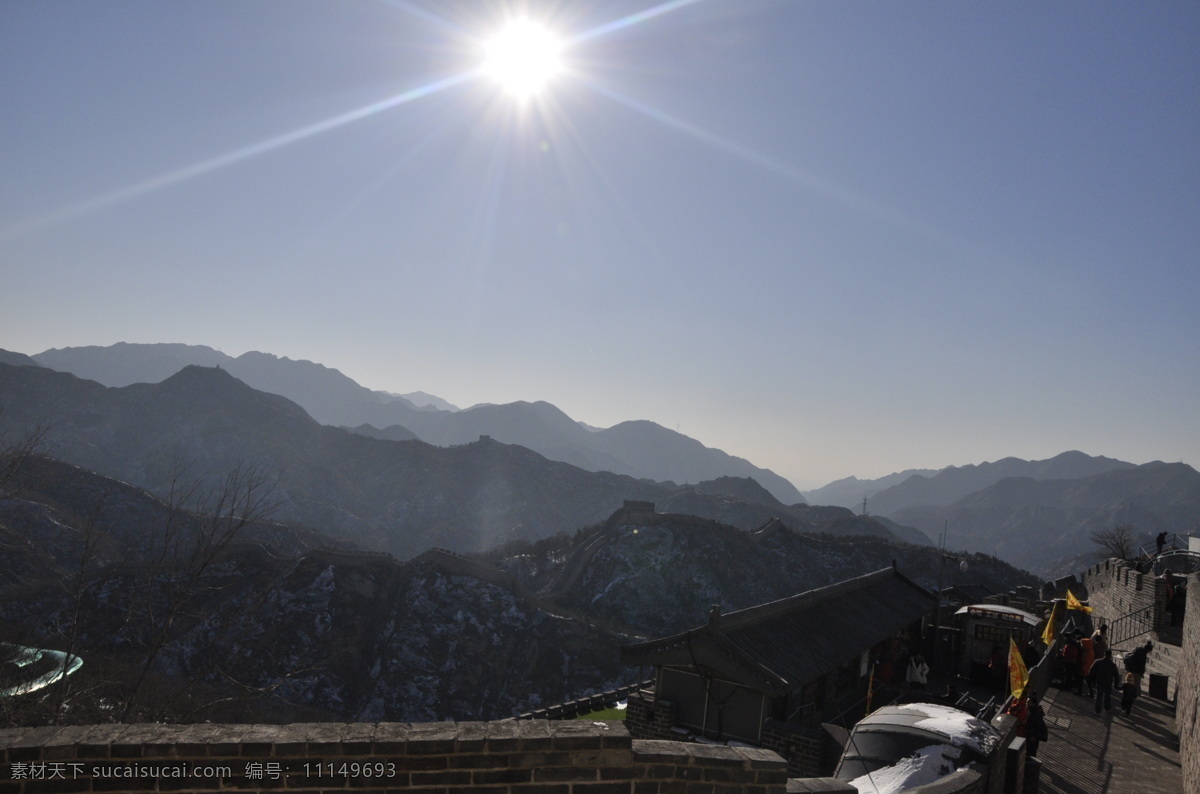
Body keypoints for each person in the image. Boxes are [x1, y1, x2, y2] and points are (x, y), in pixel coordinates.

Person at [1091, 650, 1120, 714]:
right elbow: (1116, 676)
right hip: (1108, 682)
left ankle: (1098, 709)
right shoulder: (1112, 665)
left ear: (1104, 654)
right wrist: (1116, 684)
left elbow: (1092, 671)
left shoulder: (1098, 662)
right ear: (1110, 655)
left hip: (1099, 681)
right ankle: (1107, 707)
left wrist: (1092, 679)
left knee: (1099, 695)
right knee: (1107, 695)